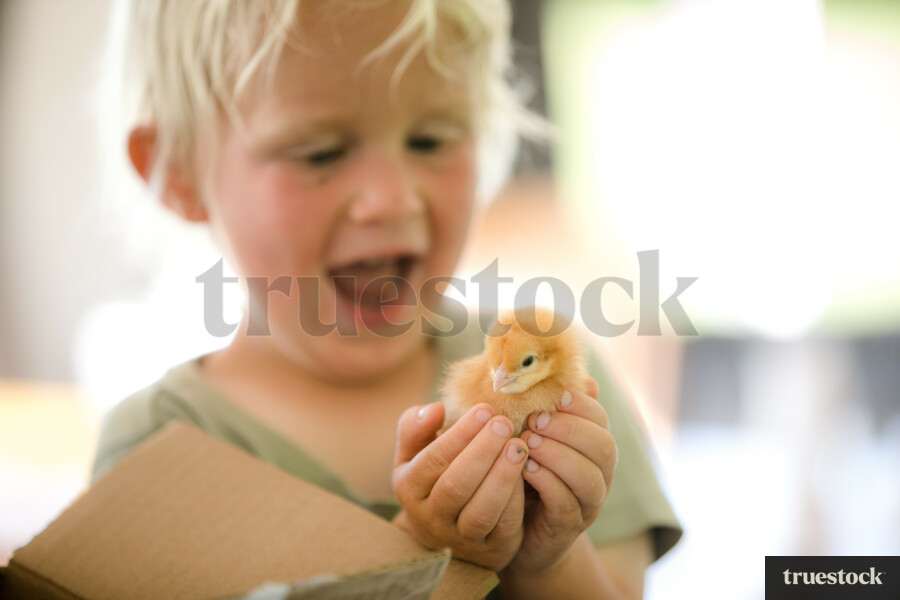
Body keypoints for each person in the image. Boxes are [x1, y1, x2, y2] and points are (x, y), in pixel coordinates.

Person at [91, 0, 681, 597]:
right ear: (180, 175)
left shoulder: (554, 376)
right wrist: (423, 549)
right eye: (320, 152)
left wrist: (549, 560)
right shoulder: (162, 444)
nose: (391, 198)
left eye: (429, 140)